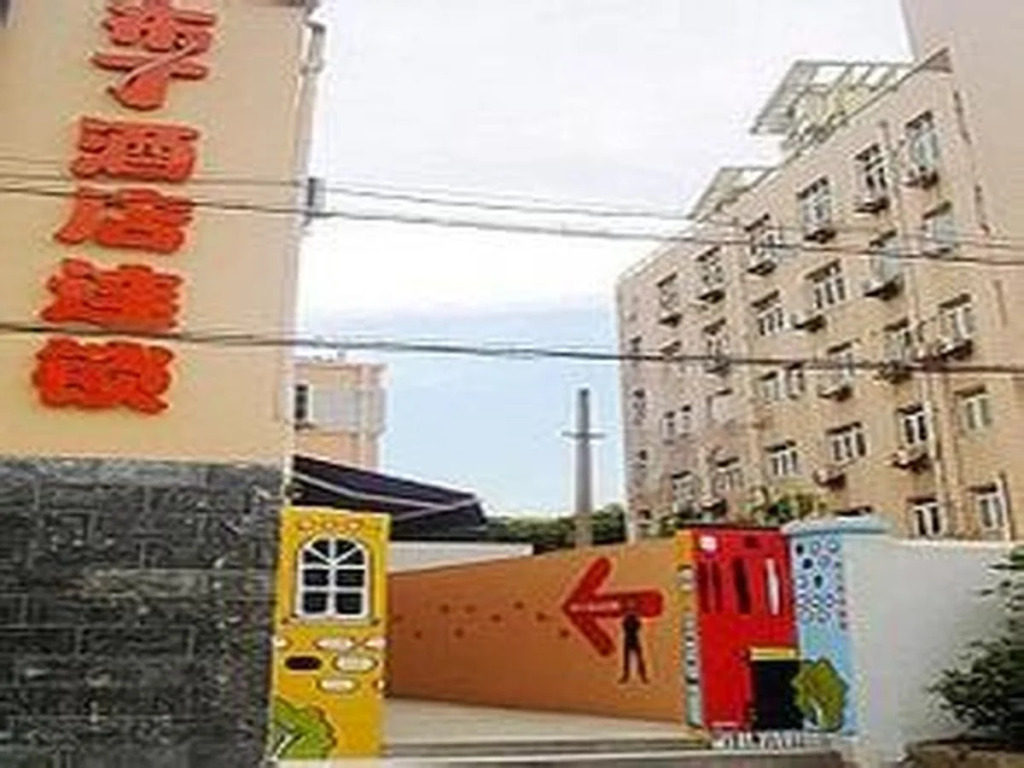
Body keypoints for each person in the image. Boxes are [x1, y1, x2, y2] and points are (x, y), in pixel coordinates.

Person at [619, 598, 648, 684]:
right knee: (626, 658)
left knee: (639, 657)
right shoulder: (626, 616)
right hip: (628, 637)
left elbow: (638, 626)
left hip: (634, 637)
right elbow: (624, 626)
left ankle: (643, 675)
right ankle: (626, 675)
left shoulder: (635, 616)